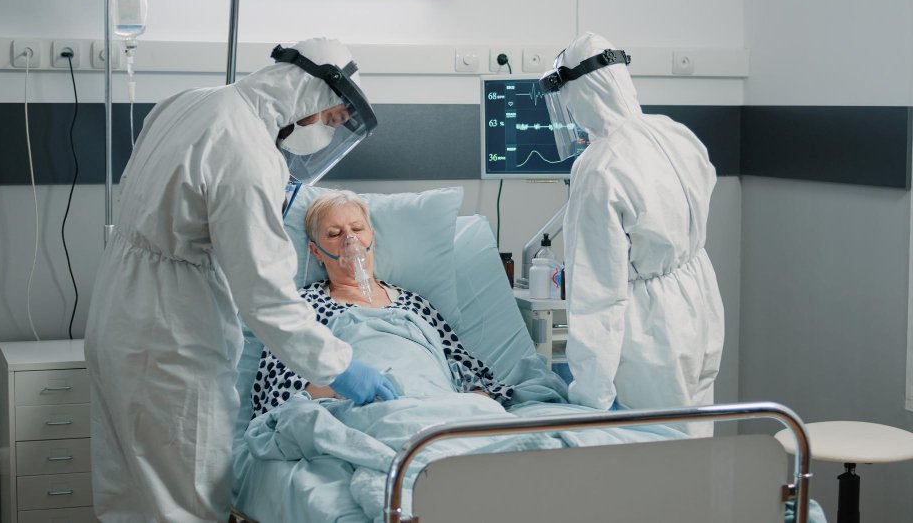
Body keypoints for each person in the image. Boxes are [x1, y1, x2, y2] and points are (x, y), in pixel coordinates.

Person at [84, 38, 397, 523]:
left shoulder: (194, 100)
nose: (328, 134)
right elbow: (266, 295)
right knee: (184, 503)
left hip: (116, 310)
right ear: (309, 96)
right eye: (332, 119)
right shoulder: (247, 152)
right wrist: (338, 367)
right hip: (172, 335)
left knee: (127, 494)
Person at [538, 32, 724, 437]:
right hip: (701, 303)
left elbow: (598, 294)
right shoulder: (675, 133)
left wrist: (589, 398)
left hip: (651, 326)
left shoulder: (600, 167)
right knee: (696, 429)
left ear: (580, 94)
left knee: (656, 449)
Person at [251, 190, 513, 416]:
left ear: (371, 237)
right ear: (316, 251)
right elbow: (274, 395)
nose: (349, 240)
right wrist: (337, 382)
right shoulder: (302, 308)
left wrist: (471, 408)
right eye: (334, 234)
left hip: (436, 407)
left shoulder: (415, 304)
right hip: (358, 411)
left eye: (357, 229)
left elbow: (468, 371)